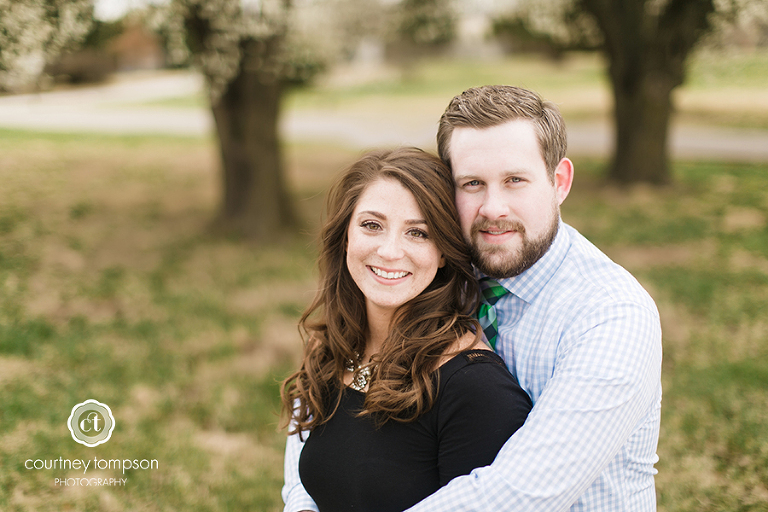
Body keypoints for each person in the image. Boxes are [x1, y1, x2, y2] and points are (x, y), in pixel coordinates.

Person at [283, 85, 663, 511]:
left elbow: (520, 493)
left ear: (559, 182)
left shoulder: (611, 316)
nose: (493, 208)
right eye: (472, 183)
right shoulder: (440, 271)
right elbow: (317, 424)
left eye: (515, 180)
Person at [280, 147, 532, 512]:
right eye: (372, 225)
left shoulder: (476, 391)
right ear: (346, 235)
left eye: (418, 233)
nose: (390, 251)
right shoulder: (334, 348)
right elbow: (307, 484)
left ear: (444, 251)